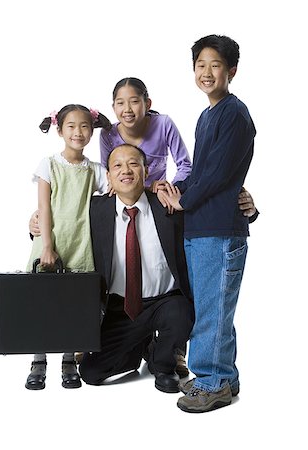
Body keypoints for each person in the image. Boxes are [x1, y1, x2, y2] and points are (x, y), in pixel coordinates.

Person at [160, 35, 257, 412]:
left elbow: (217, 174)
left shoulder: (234, 113)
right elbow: (201, 172)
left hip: (218, 229)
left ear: (231, 71)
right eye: (200, 65)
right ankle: (226, 377)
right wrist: (174, 186)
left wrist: (184, 200)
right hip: (202, 228)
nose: (206, 72)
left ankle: (212, 382)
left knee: (213, 311)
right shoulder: (207, 115)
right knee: (214, 309)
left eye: (214, 65)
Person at [79, 144, 195, 393]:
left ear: (146, 170)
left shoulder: (166, 204)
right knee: (90, 372)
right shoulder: (96, 209)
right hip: (121, 307)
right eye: (117, 165)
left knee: (181, 314)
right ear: (108, 176)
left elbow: (202, 211)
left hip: (165, 300)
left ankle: (162, 365)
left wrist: (245, 209)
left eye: (133, 163)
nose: (126, 170)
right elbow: (68, 226)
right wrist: (35, 225)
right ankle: (140, 345)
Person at [25, 104, 111, 391]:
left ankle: (68, 360)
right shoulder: (48, 164)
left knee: (74, 304)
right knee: (42, 302)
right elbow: (44, 207)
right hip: (51, 242)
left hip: (80, 243)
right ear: (59, 130)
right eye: (71, 126)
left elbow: (115, 191)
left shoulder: (95, 170)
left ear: (92, 130)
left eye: (85, 126)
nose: (78, 132)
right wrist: (47, 245)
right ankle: (38, 361)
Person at [100, 77, 192, 189]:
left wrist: (170, 190)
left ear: (147, 104)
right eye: (120, 103)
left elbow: (185, 166)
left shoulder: (163, 124)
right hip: (125, 196)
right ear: (114, 107)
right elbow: (106, 174)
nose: (127, 109)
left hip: (158, 196)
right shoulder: (108, 134)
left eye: (134, 102)